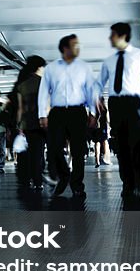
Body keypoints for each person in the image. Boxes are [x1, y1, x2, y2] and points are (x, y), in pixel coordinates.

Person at [97, 22, 140, 198]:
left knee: (138, 143)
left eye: (112, 34)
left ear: (122, 36)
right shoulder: (109, 61)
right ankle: (128, 183)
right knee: (121, 145)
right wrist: (96, 98)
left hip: (136, 103)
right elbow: (98, 83)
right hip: (116, 104)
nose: (110, 38)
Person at [38, 34, 98, 198]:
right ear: (65, 48)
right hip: (57, 112)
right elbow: (43, 92)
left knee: (78, 151)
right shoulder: (51, 68)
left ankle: (77, 184)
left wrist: (93, 112)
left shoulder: (84, 67)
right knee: (54, 148)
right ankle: (64, 176)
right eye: (74, 45)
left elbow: (90, 91)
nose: (78, 48)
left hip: (77, 112)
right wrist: (42, 115)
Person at [15, 56, 47, 190]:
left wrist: (19, 125)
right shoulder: (43, 83)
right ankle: (38, 181)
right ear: (39, 67)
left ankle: (27, 179)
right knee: (38, 154)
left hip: (27, 124)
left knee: (28, 154)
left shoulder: (22, 85)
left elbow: (20, 108)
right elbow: (47, 105)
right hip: (40, 123)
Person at [92, 99, 111, 167]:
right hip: (103, 127)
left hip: (96, 128)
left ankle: (97, 161)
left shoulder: (94, 107)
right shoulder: (104, 109)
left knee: (97, 143)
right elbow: (108, 119)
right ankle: (106, 159)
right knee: (105, 142)